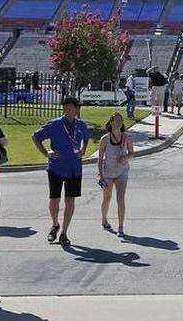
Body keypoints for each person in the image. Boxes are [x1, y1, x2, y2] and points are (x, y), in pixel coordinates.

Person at [32, 97, 89, 246]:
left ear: (76, 109)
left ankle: (64, 232)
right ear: (63, 109)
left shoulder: (82, 125)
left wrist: (83, 150)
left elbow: (86, 138)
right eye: (67, 107)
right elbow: (36, 137)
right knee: (54, 200)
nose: (69, 110)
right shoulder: (55, 124)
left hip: (75, 168)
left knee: (70, 200)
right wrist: (46, 153)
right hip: (56, 167)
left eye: (72, 108)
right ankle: (55, 224)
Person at [97, 112, 136, 236]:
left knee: (120, 198)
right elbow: (100, 158)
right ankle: (104, 219)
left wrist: (125, 158)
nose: (118, 123)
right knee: (107, 198)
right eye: (116, 120)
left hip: (122, 172)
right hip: (108, 172)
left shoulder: (127, 137)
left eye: (120, 120)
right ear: (111, 122)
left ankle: (120, 227)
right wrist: (101, 174)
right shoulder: (105, 139)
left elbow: (131, 153)